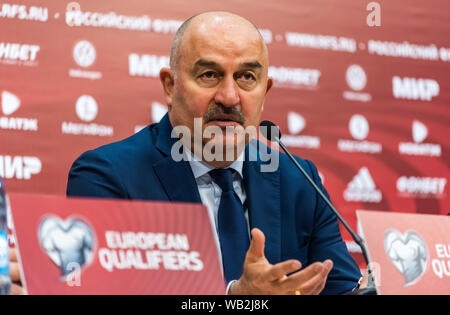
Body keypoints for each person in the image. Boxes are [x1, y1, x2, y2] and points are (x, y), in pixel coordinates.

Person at [11, 11, 364, 295]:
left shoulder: (300, 179)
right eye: (210, 75)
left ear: (265, 89)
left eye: (246, 78)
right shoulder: (109, 175)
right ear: (170, 85)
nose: (229, 96)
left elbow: (343, 288)